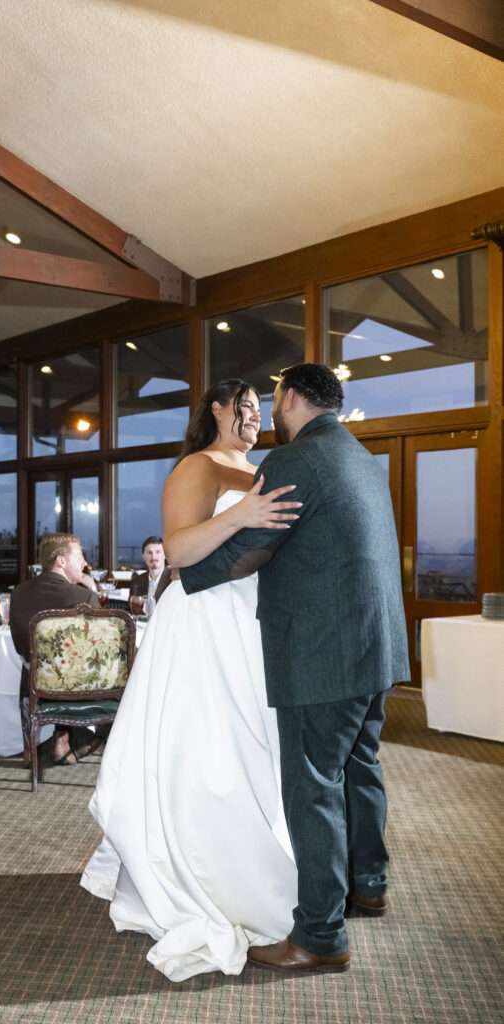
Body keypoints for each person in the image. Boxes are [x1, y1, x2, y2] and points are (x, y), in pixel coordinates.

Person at [180, 363, 410, 973]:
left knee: (313, 788)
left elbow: (256, 549)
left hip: (322, 652)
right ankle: (370, 883)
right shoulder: (361, 456)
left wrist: (190, 578)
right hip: (377, 646)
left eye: (269, 400)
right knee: (360, 766)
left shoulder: (294, 461)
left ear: (286, 398)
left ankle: (319, 937)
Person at [81, 379, 302, 981]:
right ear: (217, 409)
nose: (254, 416)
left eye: (260, 408)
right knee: (207, 749)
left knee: (255, 746)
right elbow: (178, 551)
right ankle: (195, 873)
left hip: (249, 618)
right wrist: (246, 516)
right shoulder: (197, 466)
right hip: (204, 617)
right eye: (246, 406)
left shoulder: (253, 467)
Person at [10, 532, 101, 765]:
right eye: (79, 556)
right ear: (61, 561)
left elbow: (19, 645)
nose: (84, 563)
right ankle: (78, 743)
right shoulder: (84, 596)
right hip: (77, 688)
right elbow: (99, 650)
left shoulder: (18, 593)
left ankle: (47, 743)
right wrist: (92, 588)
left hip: (35, 683)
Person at [128, 536, 172, 603]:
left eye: (158, 552)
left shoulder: (173, 580)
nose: (153, 557)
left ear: (165, 555)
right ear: (143, 556)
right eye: (149, 552)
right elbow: (132, 608)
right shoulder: (136, 581)